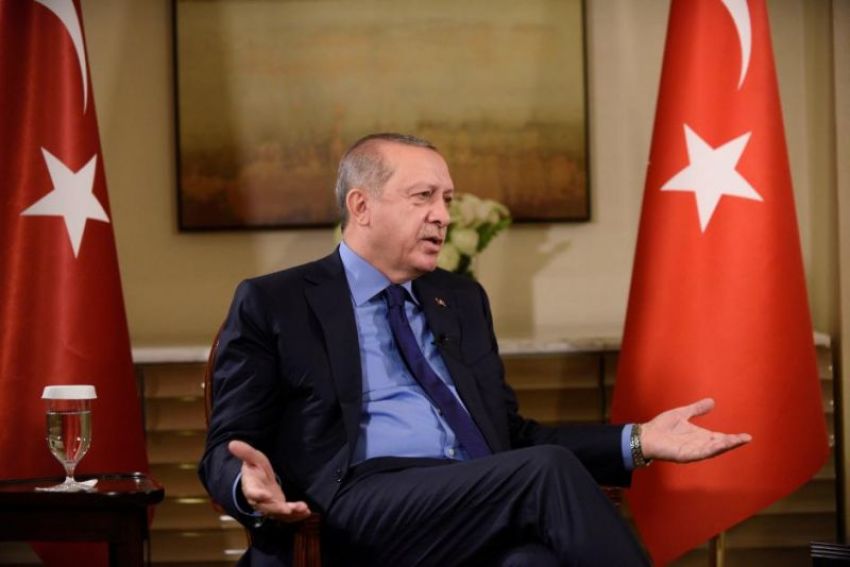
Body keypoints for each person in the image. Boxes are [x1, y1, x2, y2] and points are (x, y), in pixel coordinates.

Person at [199, 133, 751, 566]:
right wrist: (246, 486)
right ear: (361, 205)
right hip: (356, 506)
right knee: (544, 473)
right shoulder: (276, 300)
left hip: (471, 502)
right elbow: (227, 443)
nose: (443, 214)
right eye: (423, 197)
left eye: (447, 199)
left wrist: (639, 440)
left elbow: (509, 437)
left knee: (532, 561)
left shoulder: (458, 298)